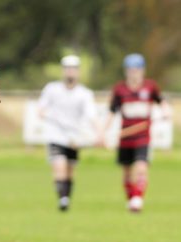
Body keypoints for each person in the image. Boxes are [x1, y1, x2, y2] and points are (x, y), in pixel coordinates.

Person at [99, 53, 170, 212]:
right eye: (131, 69)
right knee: (126, 172)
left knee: (141, 167)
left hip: (143, 137)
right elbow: (112, 112)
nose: (134, 73)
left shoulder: (150, 87)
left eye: (137, 69)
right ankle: (131, 198)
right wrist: (103, 133)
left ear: (142, 70)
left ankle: (138, 199)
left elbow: (162, 101)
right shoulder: (120, 89)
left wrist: (165, 112)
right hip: (125, 137)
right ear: (126, 71)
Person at [37, 55, 98, 211]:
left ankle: (66, 198)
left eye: (73, 69)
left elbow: (91, 116)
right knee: (59, 166)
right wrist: (47, 115)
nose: (70, 72)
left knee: (70, 170)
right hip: (56, 135)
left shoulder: (85, 94)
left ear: (78, 71)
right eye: (67, 68)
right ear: (63, 71)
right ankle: (63, 199)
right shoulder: (52, 89)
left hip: (74, 138)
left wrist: (99, 134)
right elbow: (41, 109)